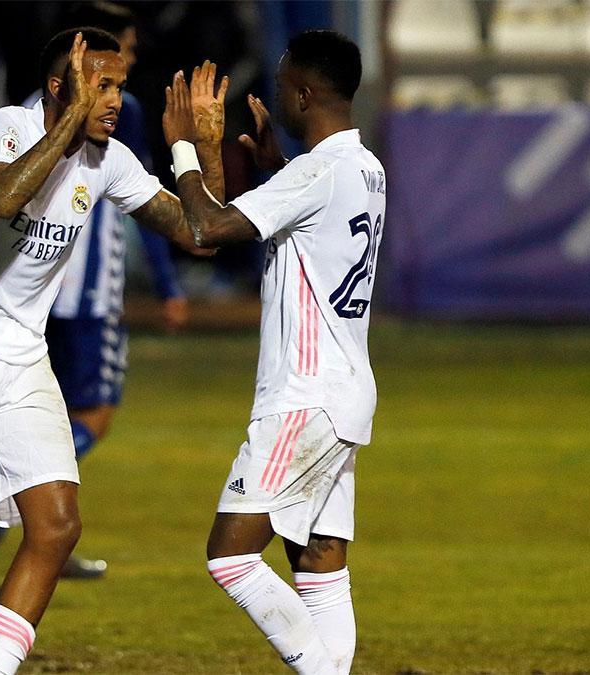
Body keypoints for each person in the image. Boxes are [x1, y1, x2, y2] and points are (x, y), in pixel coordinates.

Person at [0, 28, 215, 675]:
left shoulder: (107, 158)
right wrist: (68, 130)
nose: (116, 101)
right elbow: (4, 197)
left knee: (56, 525)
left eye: (117, 86)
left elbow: (200, 231)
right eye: (101, 86)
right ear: (60, 88)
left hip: (22, 355)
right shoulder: (2, 127)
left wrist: (201, 151)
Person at [162, 30, 382, 673]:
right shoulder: (365, 168)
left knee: (230, 556)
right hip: (345, 390)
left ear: (306, 93)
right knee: (318, 561)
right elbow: (316, 212)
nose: (277, 92)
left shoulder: (319, 171)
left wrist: (182, 147)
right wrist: (278, 164)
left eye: (284, 84)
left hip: (303, 397)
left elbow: (208, 225)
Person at [0, 0, 195, 584]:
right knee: (92, 410)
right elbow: (152, 211)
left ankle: (34, 523)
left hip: (23, 299)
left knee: (42, 411)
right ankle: (7, 502)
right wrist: (167, 284)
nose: (121, 86)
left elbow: (176, 215)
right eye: (115, 67)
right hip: (83, 292)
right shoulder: (110, 119)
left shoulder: (21, 114)